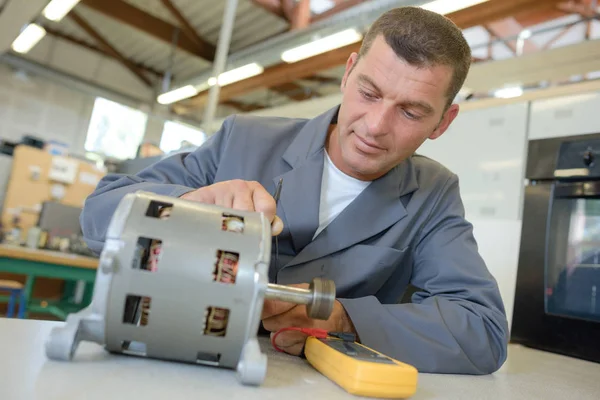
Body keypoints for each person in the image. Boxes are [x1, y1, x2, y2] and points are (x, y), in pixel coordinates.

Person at [80, 6, 509, 374]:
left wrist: (342, 318)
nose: (376, 126)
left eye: (411, 112)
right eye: (369, 92)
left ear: (443, 123)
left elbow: (482, 329)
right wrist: (189, 206)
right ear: (347, 74)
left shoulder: (432, 194)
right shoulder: (243, 139)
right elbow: (99, 213)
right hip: (179, 367)